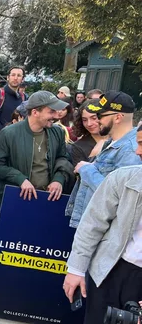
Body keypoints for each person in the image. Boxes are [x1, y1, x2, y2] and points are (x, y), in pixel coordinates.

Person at [63, 127, 142, 324]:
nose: (137, 151)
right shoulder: (122, 178)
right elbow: (92, 224)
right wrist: (76, 269)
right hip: (109, 270)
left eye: (141, 144)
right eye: (138, 143)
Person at [0, 91, 73, 264]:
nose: (56, 116)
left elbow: (63, 158)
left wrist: (59, 179)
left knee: (37, 250)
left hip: (47, 201)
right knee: (13, 250)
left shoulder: (56, 133)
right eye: (51, 112)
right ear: (35, 112)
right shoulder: (9, 133)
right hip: (18, 201)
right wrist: (20, 179)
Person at [66, 91, 142, 228]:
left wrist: (86, 169)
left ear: (118, 117)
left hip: (104, 231)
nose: (97, 121)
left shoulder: (131, 150)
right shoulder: (111, 143)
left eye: (100, 116)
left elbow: (119, 196)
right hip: (92, 225)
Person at [0, 66, 26, 136]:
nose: (15, 78)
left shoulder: (23, 97)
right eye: (13, 75)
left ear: (22, 79)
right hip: (0, 139)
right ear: (8, 77)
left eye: (19, 75)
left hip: (18, 138)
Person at [69, 99, 106, 166]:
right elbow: (80, 174)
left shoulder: (118, 139)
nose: (89, 124)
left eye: (94, 118)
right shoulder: (78, 147)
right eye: (84, 120)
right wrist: (93, 156)